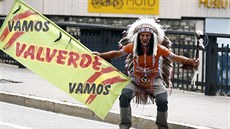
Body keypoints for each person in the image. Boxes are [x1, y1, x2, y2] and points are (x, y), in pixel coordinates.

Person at [93, 17, 199, 129]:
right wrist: (100, 55)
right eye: (142, 35)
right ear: (138, 37)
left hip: (155, 80)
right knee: (124, 96)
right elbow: (116, 53)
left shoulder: (159, 48)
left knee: (162, 101)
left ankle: (162, 127)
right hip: (135, 79)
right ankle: (124, 126)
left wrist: (190, 61)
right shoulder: (132, 47)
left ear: (152, 37)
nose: (145, 38)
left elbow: (175, 57)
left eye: (147, 36)